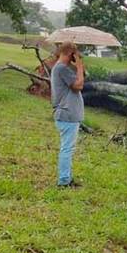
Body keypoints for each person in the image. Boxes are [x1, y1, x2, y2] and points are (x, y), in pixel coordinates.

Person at [50, 41, 85, 187]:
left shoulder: (61, 69)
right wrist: (79, 67)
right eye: (75, 55)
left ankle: (67, 178)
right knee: (67, 148)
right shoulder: (61, 69)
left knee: (68, 148)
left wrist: (77, 68)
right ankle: (64, 181)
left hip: (67, 114)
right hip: (67, 114)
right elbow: (79, 86)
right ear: (71, 53)